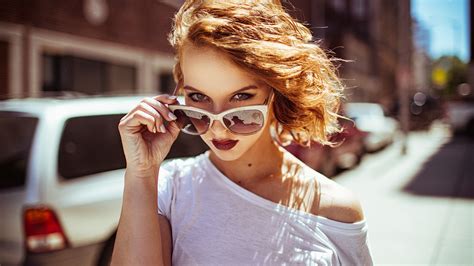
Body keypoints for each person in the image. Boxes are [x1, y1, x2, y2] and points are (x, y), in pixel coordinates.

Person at [111, 0, 373, 265]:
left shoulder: (336, 210)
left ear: (278, 91)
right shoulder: (168, 188)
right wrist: (141, 173)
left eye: (241, 97)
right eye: (198, 97)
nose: (217, 126)